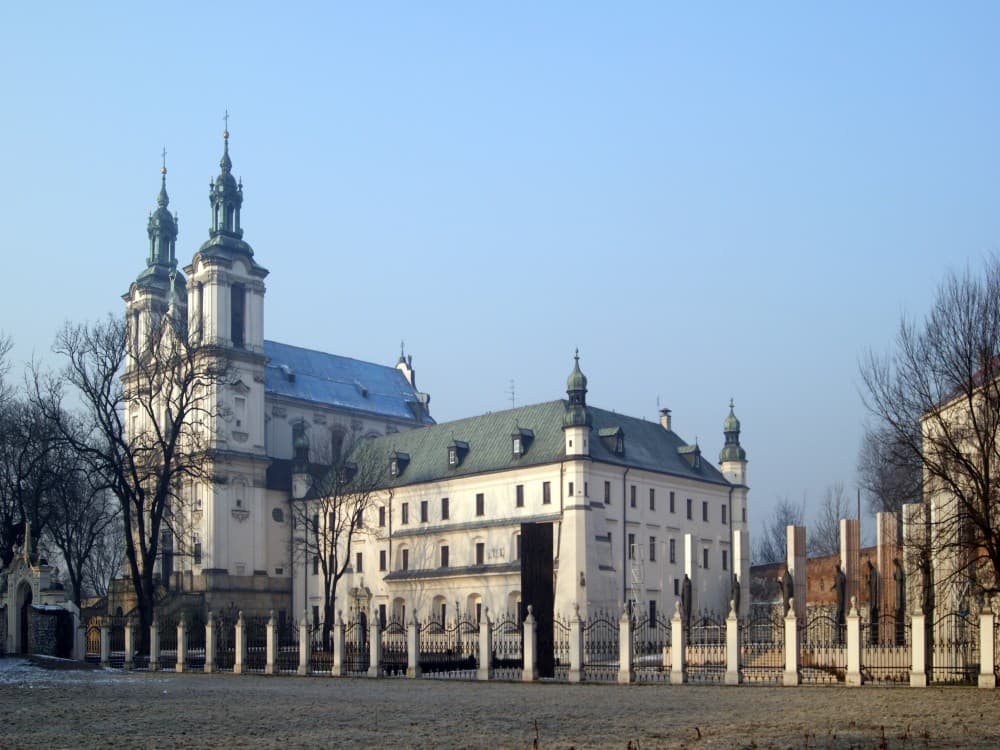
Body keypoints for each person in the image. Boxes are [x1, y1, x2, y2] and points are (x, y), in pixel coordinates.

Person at [866, 560, 880, 643]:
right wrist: (868, 581)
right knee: (872, 617)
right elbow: (871, 583)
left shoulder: (874, 571)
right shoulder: (871, 571)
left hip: (874, 597)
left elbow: (874, 584)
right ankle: (872, 637)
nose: (868, 567)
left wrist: (870, 582)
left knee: (874, 616)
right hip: (872, 596)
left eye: (868, 565)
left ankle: (874, 638)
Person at [833, 562, 847, 628]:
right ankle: (838, 617)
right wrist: (832, 587)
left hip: (842, 593)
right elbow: (835, 583)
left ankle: (841, 616)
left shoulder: (842, 576)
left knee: (841, 605)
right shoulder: (836, 576)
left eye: (837, 568)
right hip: (838, 593)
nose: (836, 570)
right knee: (839, 606)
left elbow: (845, 584)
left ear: (838, 568)